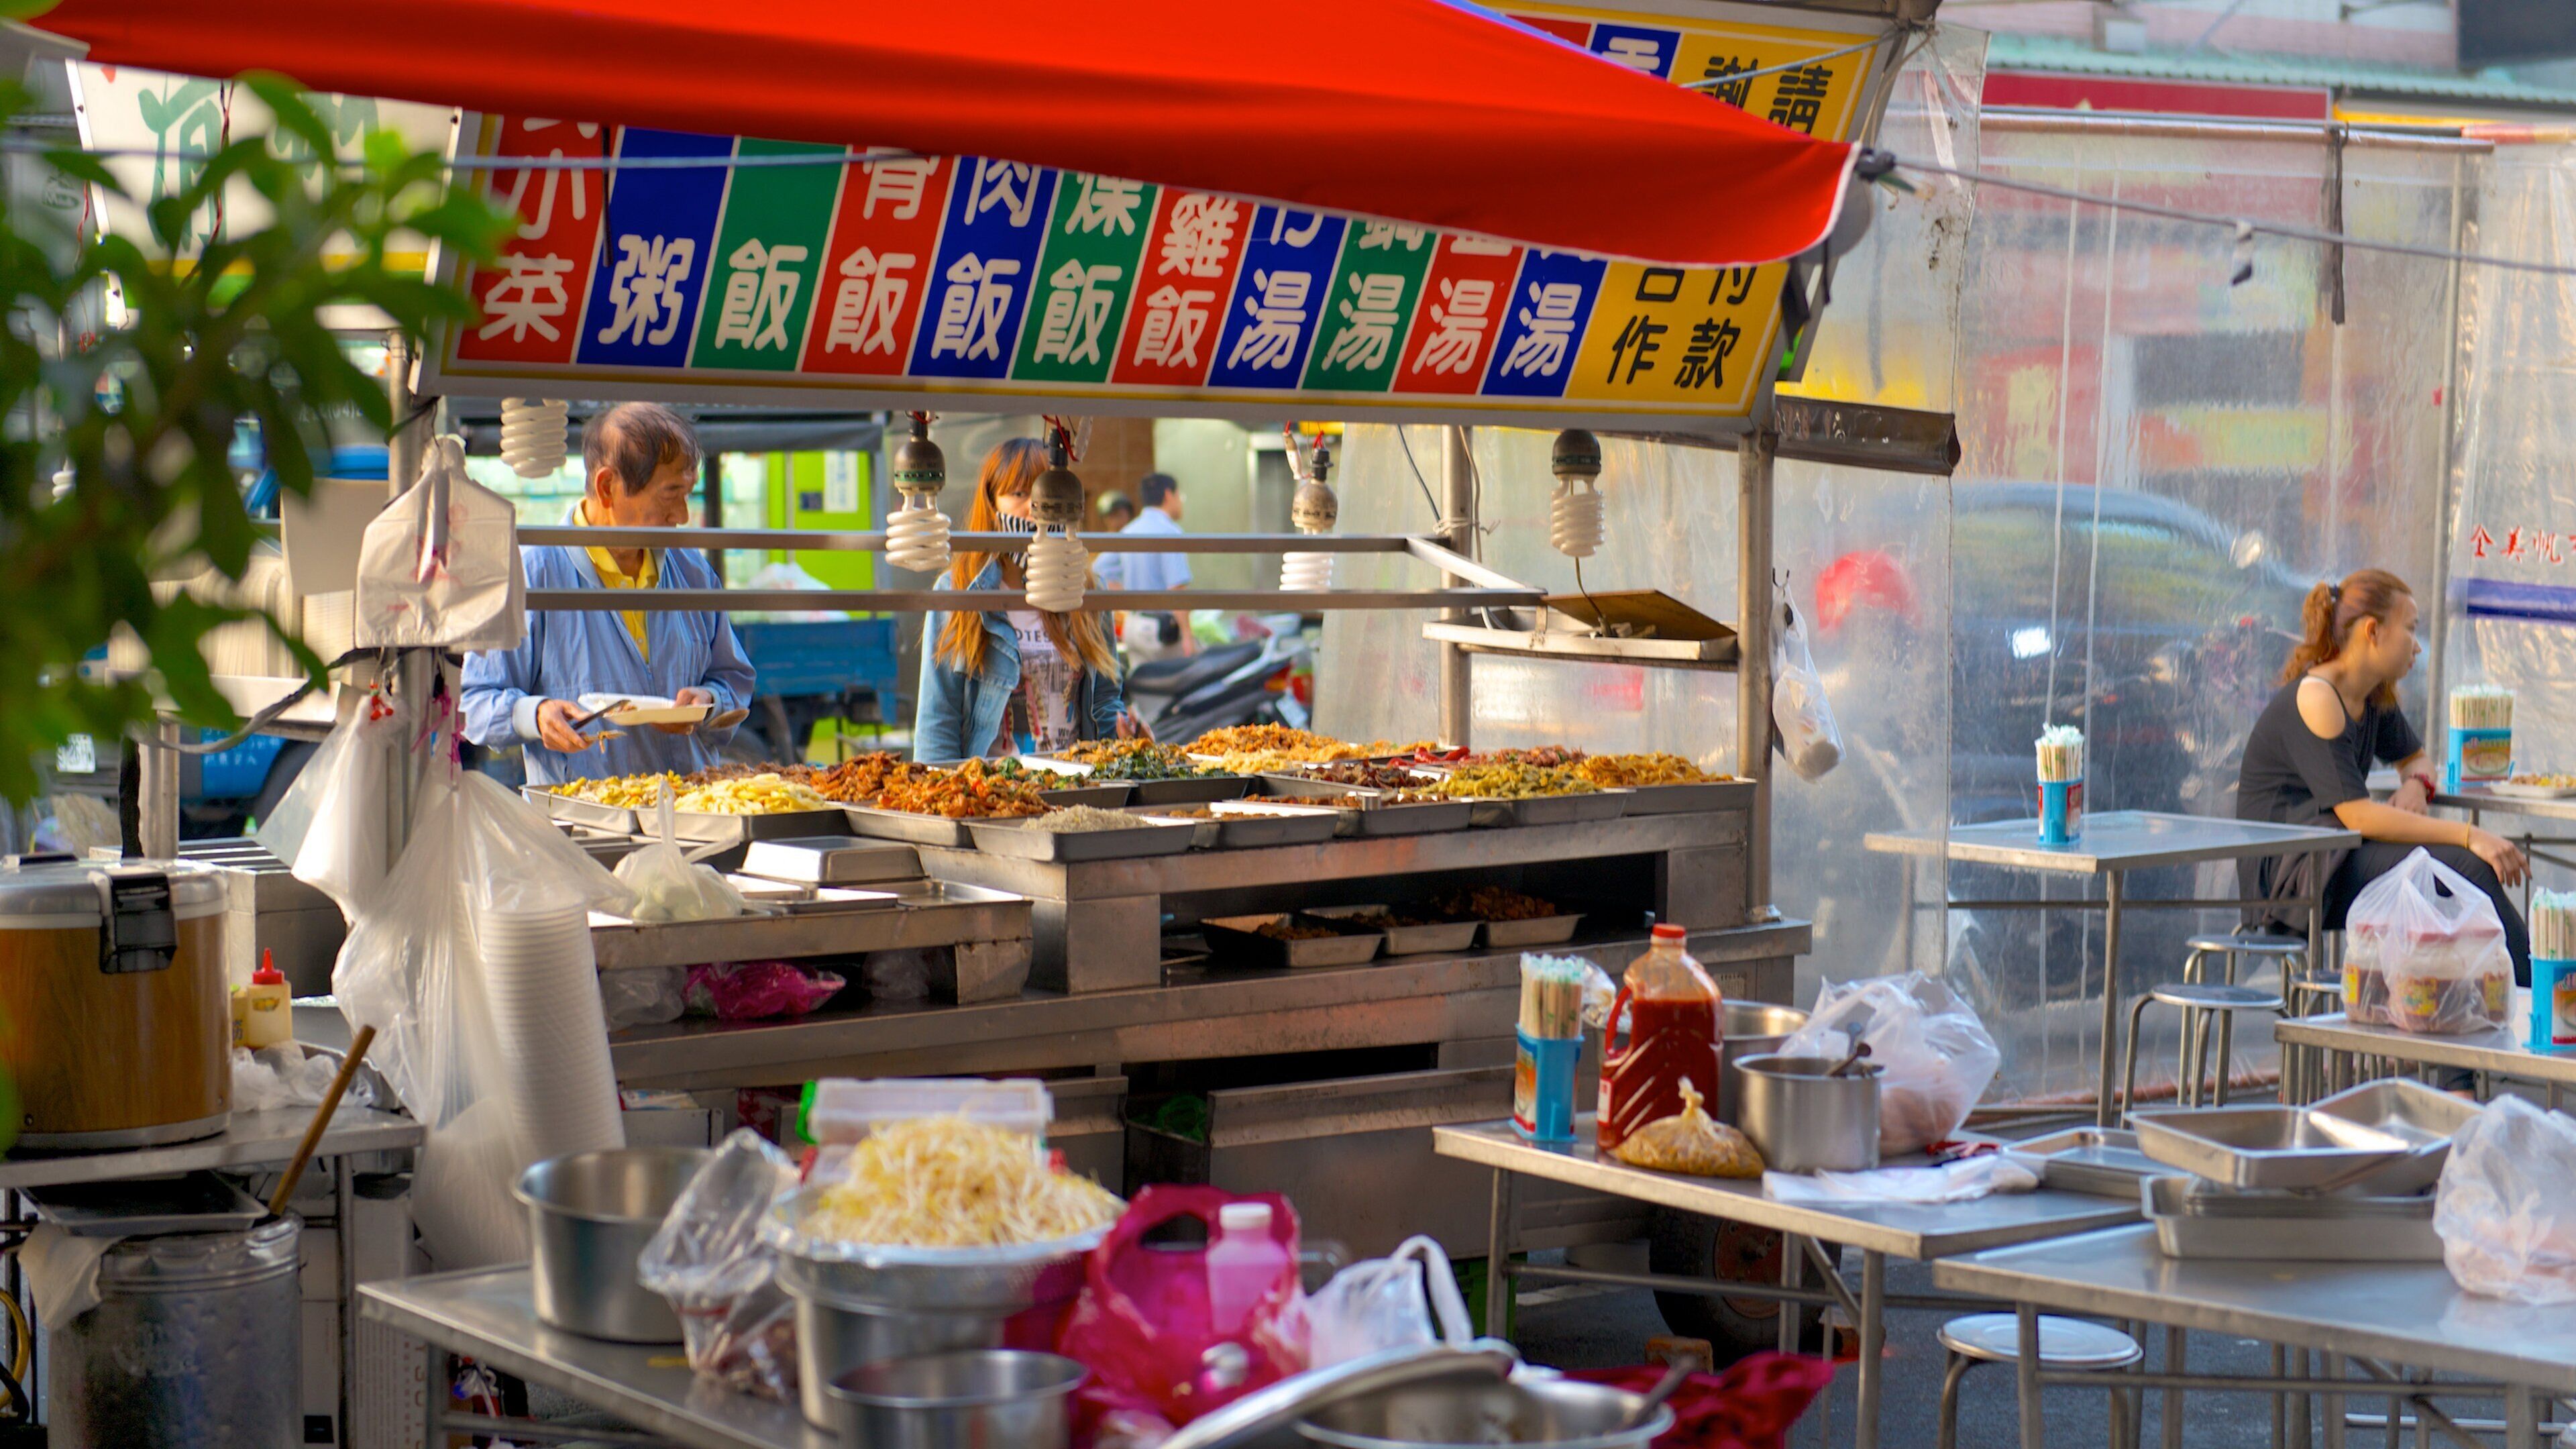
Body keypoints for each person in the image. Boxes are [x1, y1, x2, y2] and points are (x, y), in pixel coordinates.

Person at [2236, 568, 2530, 981]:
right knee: (2467, 867)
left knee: (2457, 879)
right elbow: (2360, 815)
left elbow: (2418, 760)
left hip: (2338, 850)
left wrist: (2418, 785)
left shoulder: (2372, 693)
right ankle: (2538, 1004)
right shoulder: (2319, 697)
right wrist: (2472, 834)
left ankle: (2467, 1009)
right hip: (2296, 873)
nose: (2417, 647)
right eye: (2410, 629)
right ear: (2372, 631)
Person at [462, 402, 755, 786]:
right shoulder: (531, 574)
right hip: (583, 831)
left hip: (689, 819)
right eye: (670, 495)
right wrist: (533, 714)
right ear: (607, 487)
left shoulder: (692, 572)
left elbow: (732, 680)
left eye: (688, 494)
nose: (682, 515)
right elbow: (475, 703)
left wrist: (710, 702)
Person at [914, 438, 1129, 761]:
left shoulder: (1086, 589)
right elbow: (938, 720)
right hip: (994, 798)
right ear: (991, 504)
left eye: (1048, 496)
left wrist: (1127, 732)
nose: (1035, 507)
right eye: (1019, 494)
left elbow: (1106, 704)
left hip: (1076, 793)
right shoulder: (959, 591)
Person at [1108, 472, 1192, 661]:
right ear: (1169, 495)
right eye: (1180, 496)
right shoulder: (1170, 532)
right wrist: (1187, 636)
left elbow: (1099, 570)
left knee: (1143, 685)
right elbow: (1177, 589)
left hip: (1133, 626)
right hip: (1162, 632)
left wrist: (1126, 594)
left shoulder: (1128, 531)